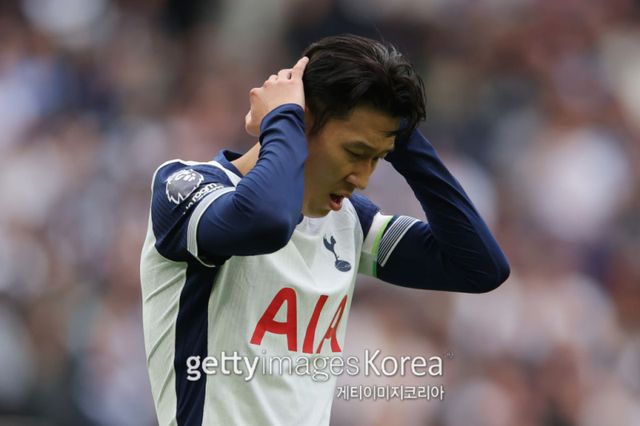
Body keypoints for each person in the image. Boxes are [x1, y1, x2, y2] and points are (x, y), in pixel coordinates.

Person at [140, 34, 510, 426]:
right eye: (355, 152)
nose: (363, 179)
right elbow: (266, 222)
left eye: (378, 158)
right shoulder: (185, 190)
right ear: (302, 121)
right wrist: (282, 119)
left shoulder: (350, 223)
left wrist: (403, 138)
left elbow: (480, 266)